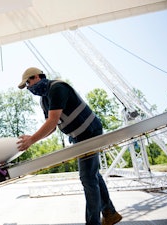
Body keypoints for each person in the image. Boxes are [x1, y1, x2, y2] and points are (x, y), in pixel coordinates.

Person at [16, 67, 122, 225]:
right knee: (93, 175)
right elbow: (51, 127)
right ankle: (110, 212)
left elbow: (52, 121)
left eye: (28, 83)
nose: (29, 88)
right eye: (26, 87)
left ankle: (94, 222)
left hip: (90, 131)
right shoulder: (44, 100)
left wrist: (31, 140)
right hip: (79, 137)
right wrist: (32, 138)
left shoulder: (57, 88)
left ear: (37, 76)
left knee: (87, 177)